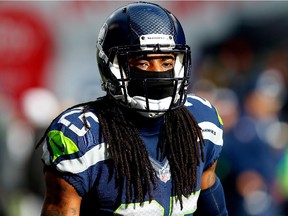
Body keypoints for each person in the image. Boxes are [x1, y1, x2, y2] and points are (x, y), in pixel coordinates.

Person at [37, 2, 228, 215]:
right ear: (111, 67)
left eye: (166, 63)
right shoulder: (84, 136)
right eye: (144, 63)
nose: (157, 74)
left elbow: (213, 205)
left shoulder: (200, 122)